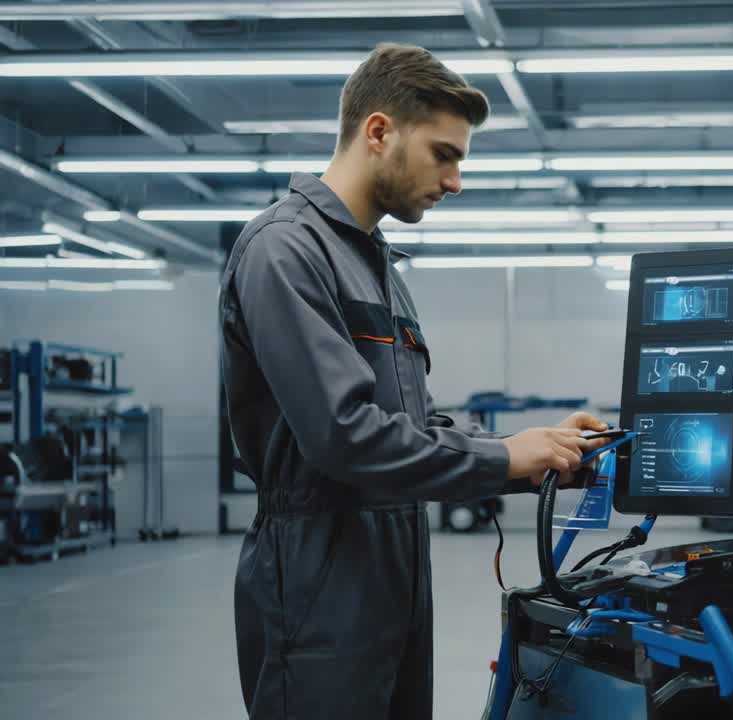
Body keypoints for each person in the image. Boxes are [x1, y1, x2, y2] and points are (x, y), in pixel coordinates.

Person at [219, 43, 607, 719]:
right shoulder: (284, 250)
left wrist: (534, 450)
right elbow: (345, 436)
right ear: (379, 132)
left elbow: (416, 428)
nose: (455, 180)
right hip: (318, 581)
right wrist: (502, 457)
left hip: (394, 574)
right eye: (444, 154)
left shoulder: (376, 267)